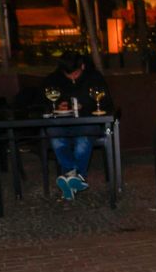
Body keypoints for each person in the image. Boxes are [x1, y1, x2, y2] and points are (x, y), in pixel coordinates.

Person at [41, 51, 113, 200]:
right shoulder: (53, 80)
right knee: (55, 136)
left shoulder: (94, 78)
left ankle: (69, 177)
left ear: (83, 66)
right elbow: (42, 104)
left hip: (87, 123)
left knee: (83, 139)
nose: (73, 77)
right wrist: (56, 107)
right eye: (69, 75)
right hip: (62, 124)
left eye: (76, 73)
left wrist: (84, 106)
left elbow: (107, 104)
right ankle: (76, 178)